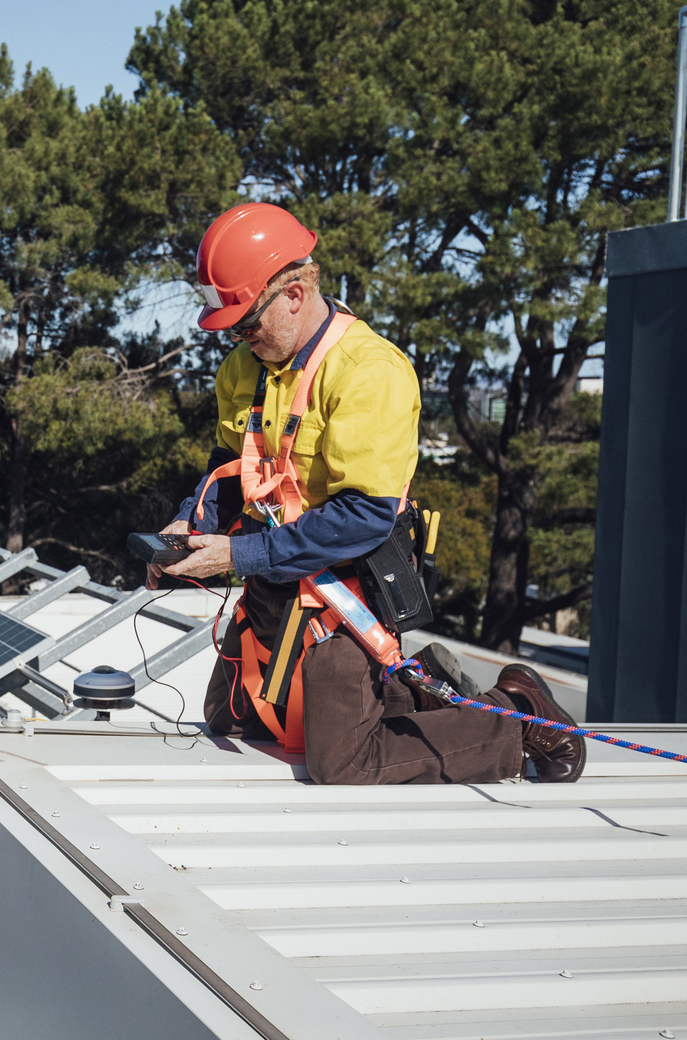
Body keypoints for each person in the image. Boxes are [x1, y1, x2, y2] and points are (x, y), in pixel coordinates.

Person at [150, 203, 584, 785]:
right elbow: (230, 466)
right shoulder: (244, 369)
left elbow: (361, 518)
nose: (241, 339)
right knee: (231, 719)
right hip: (272, 585)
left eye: (248, 323)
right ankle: (417, 692)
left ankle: (519, 716)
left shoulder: (369, 370)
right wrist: (187, 527)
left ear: (296, 293)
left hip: (345, 596)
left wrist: (237, 556)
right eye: (230, 328)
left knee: (342, 762)